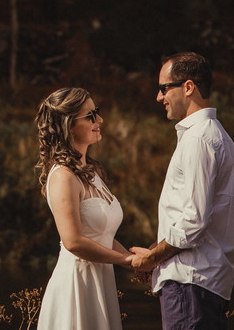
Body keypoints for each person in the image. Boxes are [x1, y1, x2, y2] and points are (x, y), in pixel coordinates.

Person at [130, 52, 234, 330]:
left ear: (188, 87)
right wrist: (156, 250)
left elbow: (194, 221)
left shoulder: (198, 139)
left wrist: (152, 258)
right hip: (201, 283)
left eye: (164, 88)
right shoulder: (215, 135)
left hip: (190, 282)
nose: (159, 97)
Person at [35, 87, 137, 330]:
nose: (99, 120)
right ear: (69, 125)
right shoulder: (63, 176)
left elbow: (102, 235)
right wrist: (126, 259)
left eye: (97, 112)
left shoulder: (92, 172)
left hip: (101, 280)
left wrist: (132, 261)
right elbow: (73, 241)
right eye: (90, 116)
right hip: (76, 284)